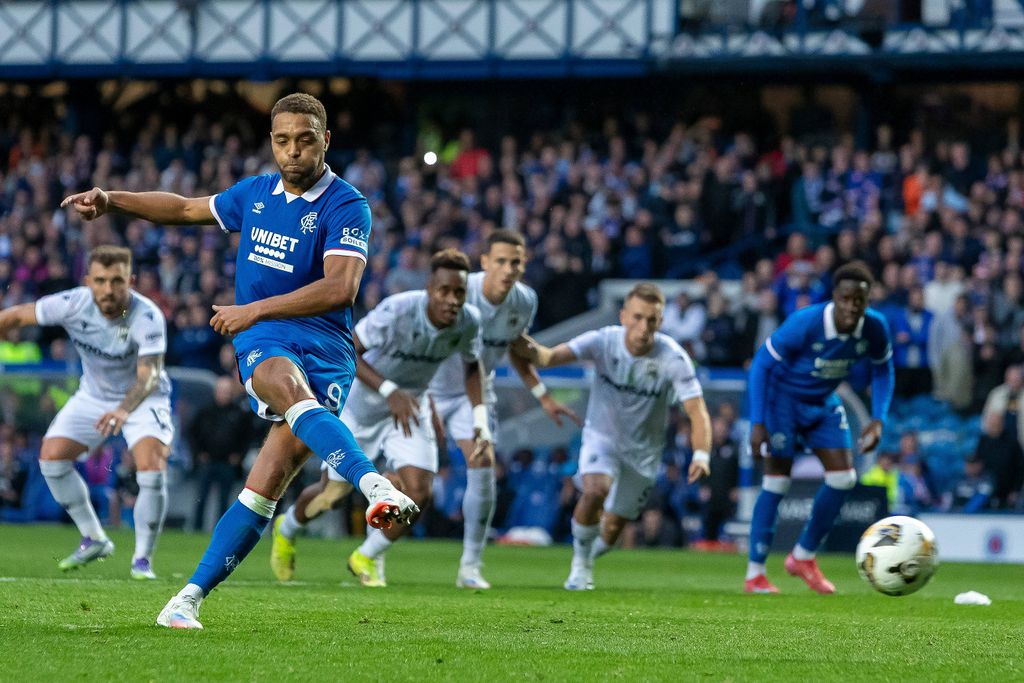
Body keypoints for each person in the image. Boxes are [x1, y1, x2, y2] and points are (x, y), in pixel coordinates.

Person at [61, 92, 417, 630]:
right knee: (285, 385)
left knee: (265, 487)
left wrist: (252, 308)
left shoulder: (347, 205)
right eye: (282, 141)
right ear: (271, 142)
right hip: (266, 338)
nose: (293, 151)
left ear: (325, 141)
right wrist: (113, 200)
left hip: (328, 347)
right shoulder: (254, 193)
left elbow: (340, 289)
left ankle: (185, 599)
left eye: (305, 140)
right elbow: (184, 209)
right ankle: (375, 486)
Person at [271, 248, 487, 588]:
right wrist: (389, 391)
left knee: (418, 493)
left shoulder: (469, 321)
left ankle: (367, 555)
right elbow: (349, 350)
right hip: (364, 407)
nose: (452, 300)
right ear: (430, 289)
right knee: (332, 496)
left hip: (409, 408)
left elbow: (473, 366)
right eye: (444, 291)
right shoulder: (398, 310)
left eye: (459, 292)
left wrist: (480, 420)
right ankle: (287, 529)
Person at [512, 282, 712, 590]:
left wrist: (701, 454)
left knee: (614, 529)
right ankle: (580, 567)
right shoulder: (603, 341)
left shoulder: (673, 358)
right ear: (623, 316)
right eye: (637, 317)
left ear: (660, 321)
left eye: (651, 320)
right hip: (601, 438)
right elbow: (547, 357)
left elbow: (697, 411)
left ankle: (589, 555)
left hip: (643, 454)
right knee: (595, 491)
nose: (643, 327)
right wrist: (518, 339)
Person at [0, 246, 172, 580]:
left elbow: (150, 374)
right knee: (51, 459)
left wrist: (123, 410)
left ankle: (142, 560)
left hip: (144, 398)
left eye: (117, 281)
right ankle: (94, 538)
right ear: (88, 281)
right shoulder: (72, 304)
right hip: (93, 396)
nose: (109, 289)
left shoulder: (147, 316)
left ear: (131, 281)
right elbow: (15, 317)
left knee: (151, 467)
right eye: (101, 280)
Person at [427, 229, 579, 588]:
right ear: (484, 262)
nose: (509, 269)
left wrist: (542, 395)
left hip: (475, 393)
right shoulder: (460, 292)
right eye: (501, 261)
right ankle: (370, 550)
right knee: (412, 481)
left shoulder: (524, 300)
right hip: (428, 387)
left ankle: (470, 566)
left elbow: (514, 349)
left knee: (483, 468)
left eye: (516, 263)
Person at [745, 260, 894, 594]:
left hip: (823, 401)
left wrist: (878, 419)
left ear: (867, 301)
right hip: (782, 402)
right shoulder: (806, 322)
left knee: (844, 478)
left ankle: (803, 557)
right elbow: (761, 365)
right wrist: (757, 422)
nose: (852, 306)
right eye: (846, 299)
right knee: (776, 482)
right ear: (834, 297)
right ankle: (755, 574)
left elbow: (883, 369)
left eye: (859, 300)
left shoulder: (874, 327)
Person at [186, 376, 253, 530]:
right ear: (216, 392)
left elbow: (247, 437)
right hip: (207, 461)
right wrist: (198, 453)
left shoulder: (239, 413)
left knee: (224, 499)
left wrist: (239, 455)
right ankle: (196, 528)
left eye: (228, 392)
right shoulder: (205, 411)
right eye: (222, 391)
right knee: (201, 497)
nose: (225, 395)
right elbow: (192, 434)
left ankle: (221, 529)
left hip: (227, 463)